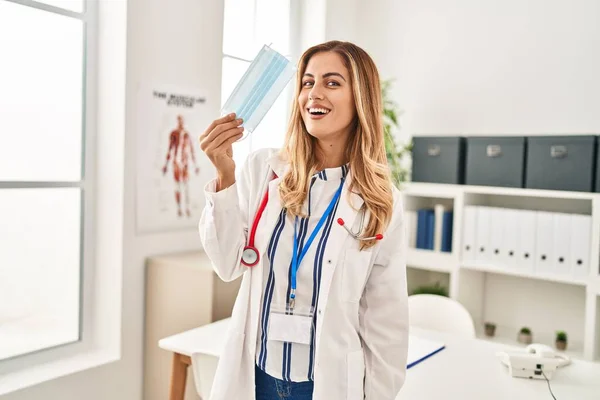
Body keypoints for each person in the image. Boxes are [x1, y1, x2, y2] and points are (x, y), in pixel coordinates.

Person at [198, 40, 408, 400]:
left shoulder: (379, 200)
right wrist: (224, 175)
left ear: (361, 98)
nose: (314, 93)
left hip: (326, 384)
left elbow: (384, 320)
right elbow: (227, 263)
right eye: (307, 82)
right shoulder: (263, 170)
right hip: (256, 377)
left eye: (332, 82)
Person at [162, 114, 200, 217]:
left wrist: (195, 165)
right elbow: (170, 149)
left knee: (186, 186)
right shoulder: (174, 134)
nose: (181, 123)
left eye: (182, 121)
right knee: (178, 186)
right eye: (179, 121)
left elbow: (191, 149)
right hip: (176, 163)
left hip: (185, 162)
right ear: (177, 121)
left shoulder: (187, 134)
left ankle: (187, 208)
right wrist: (165, 164)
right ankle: (179, 208)